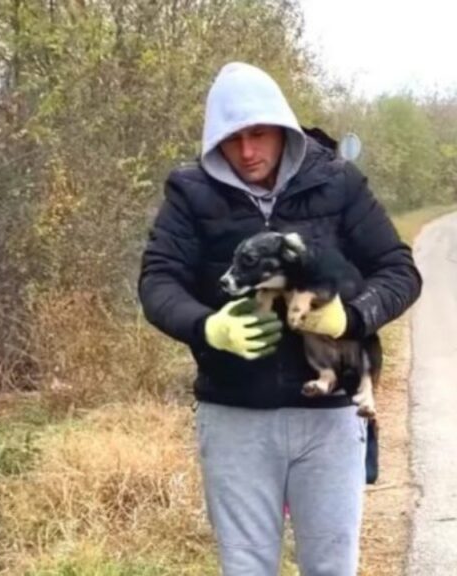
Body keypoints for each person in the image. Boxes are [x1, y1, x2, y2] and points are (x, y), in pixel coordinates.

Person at [137, 61, 422, 575]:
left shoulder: (338, 181)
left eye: (259, 133)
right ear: (214, 141)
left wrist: (351, 318)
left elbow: (399, 271)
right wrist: (209, 328)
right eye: (233, 139)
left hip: (331, 417)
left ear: (283, 129)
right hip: (234, 416)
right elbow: (158, 283)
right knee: (246, 567)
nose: (247, 152)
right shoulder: (189, 193)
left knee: (331, 566)